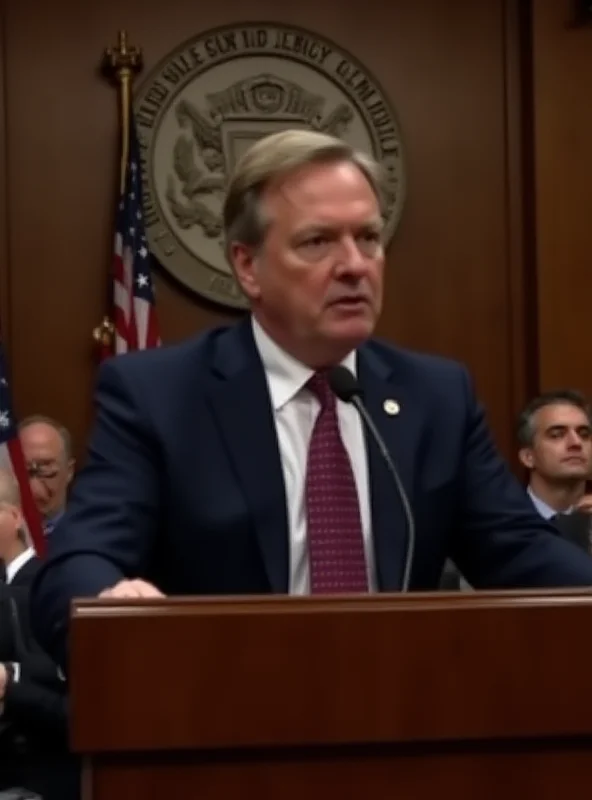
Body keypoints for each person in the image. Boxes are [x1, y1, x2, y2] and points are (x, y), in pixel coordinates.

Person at [30, 129, 592, 669]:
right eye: (318, 241)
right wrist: (110, 603)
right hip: (216, 726)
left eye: (368, 237)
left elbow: (520, 551)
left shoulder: (435, 396)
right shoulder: (160, 395)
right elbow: (80, 560)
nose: (354, 265)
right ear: (248, 266)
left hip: (402, 724)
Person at [518, 390, 592, 551]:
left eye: (584, 434)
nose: (576, 442)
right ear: (528, 457)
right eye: (557, 435)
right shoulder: (502, 522)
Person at [19, 416, 74, 536]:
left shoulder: (91, 540)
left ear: (69, 471)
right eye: (23, 470)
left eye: (46, 468)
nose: (34, 488)